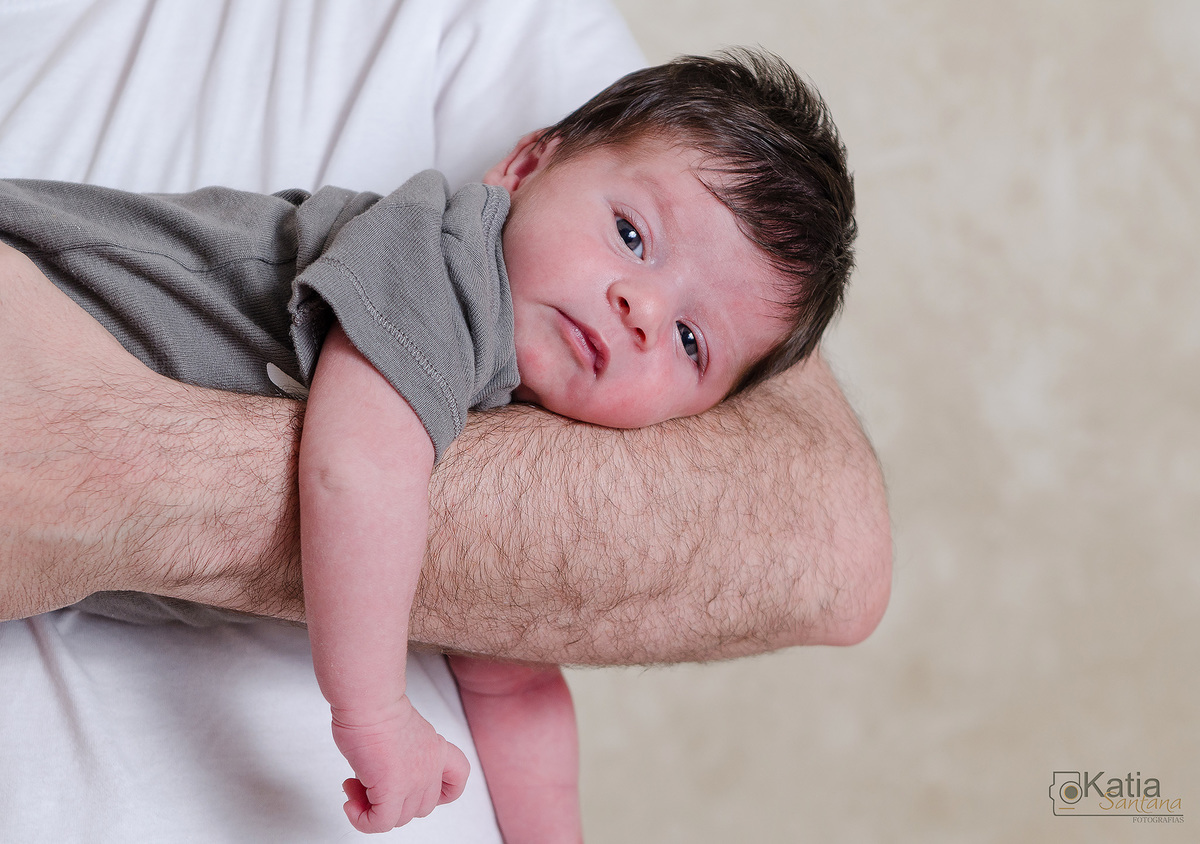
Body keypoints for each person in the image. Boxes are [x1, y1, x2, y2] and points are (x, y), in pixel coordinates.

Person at [0, 2, 890, 841]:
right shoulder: (442, 254)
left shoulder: (510, 410)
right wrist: (375, 711)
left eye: (691, 341)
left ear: (699, 414)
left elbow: (515, 686)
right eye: (630, 235)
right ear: (525, 168)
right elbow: (358, 466)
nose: (642, 310)